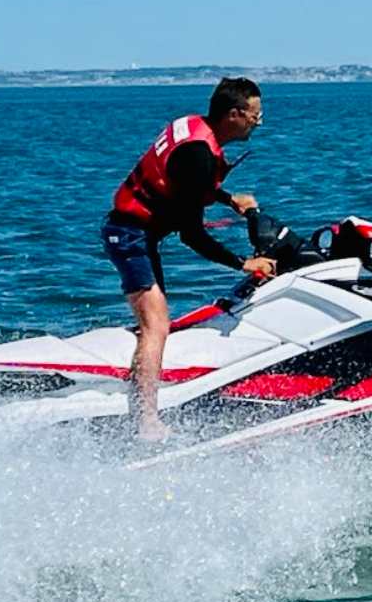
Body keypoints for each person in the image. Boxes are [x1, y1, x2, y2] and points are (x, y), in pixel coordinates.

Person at [101, 77, 277, 441]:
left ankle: (137, 379)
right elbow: (192, 235)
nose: (258, 124)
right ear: (234, 114)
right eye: (255, 117)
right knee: (156, 323)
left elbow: (184, 183)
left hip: (140, 231)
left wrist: (229, 200)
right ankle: (146, 420)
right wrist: (244, 263)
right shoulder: (198, 154)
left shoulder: (196, 126)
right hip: (129, 235)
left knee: (156, 316)